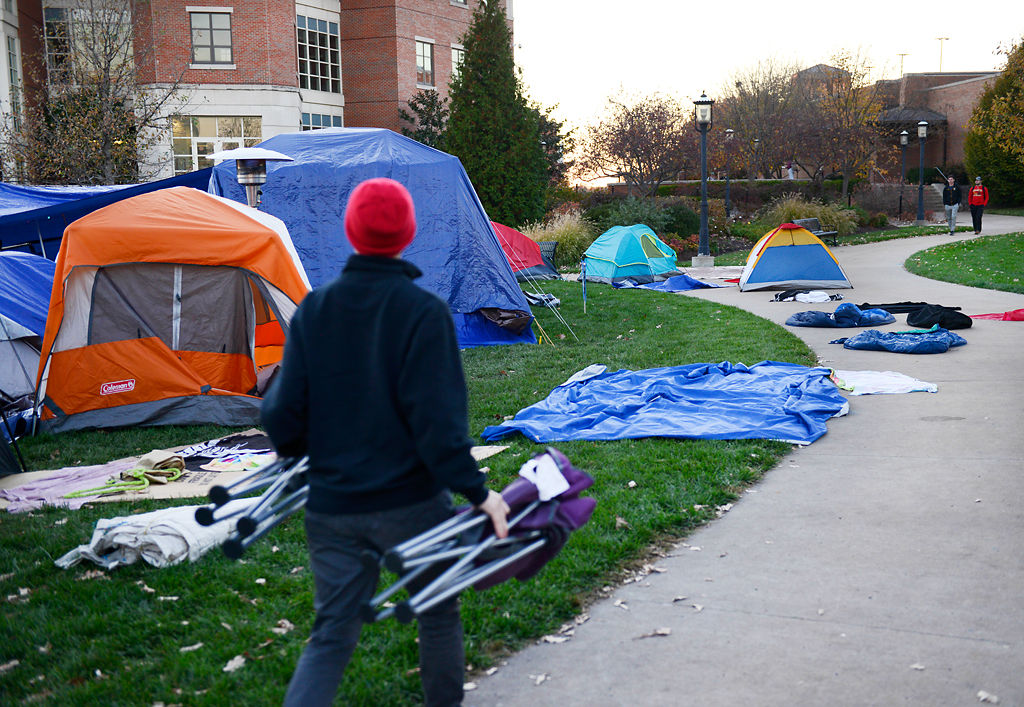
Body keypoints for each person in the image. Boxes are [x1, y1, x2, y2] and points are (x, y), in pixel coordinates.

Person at [261, 177, 510, 707]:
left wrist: (310, 459)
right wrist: (479, 493)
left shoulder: (315, 311)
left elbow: (281, 414)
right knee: (438, 614)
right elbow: (439, 427)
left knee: (331, 633)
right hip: (412, 506)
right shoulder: (423, 314)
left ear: (351, 232)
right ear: (408, 234)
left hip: (332, 508)